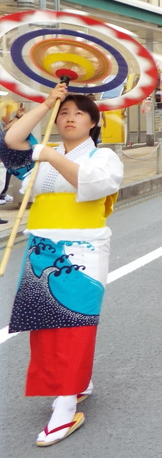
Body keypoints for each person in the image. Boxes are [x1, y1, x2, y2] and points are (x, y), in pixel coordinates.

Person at [1, 83, 124, 446]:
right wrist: (47, 103)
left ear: (93, 123)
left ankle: (66, 403)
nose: (69, 118)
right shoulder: (44, 150)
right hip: (41, 246)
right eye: (65, 113)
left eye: (78, 113)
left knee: (74, 322)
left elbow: (93, 183)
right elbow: (11, 141)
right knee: (43, 323)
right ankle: (76, 381)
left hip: (81, 250)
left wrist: (50, 157)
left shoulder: (103, 158)